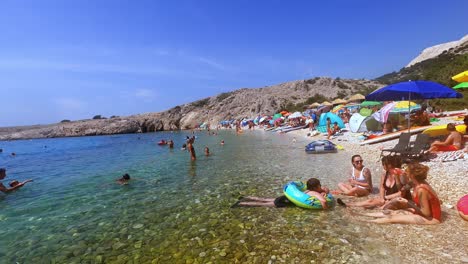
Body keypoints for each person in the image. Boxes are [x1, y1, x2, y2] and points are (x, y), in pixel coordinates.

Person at [357, 162, 441, 225]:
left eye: (407, 172)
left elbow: (426, 213)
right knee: (390, 212)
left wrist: (408, 203)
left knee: (392, 218)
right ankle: (360, 214)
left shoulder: (421, 190)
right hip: (422, 213)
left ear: (412, 175)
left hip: (431, 219)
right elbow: (401, 189)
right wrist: (397, 177)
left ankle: (364, 222)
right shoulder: (415, 183)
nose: (405, 173)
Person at [337, 156, 409, 208]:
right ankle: (348, 205)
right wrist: (382, 197)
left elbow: (402, 192)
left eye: (384, 164)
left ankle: (348, 203)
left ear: (390, 165)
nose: (383, 166)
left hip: (398, 199)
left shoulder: (401, 175)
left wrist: (386, 197)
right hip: (387, 198)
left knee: (374, 204)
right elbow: (382, 187)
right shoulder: (385, 173)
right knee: (370, 201)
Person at [232, 178, 330, 209]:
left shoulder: (307, 190)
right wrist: (325, 212)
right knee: (262, 204)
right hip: (286, 202)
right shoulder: (314, 193)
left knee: (265, 199)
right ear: (314, 187)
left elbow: (325, 191)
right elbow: (323, 201)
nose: (321, 187)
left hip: (285, 197)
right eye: (319, 186)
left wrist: (324, 191)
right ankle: (241, 203)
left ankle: (245, 197)